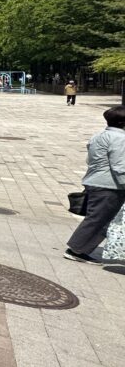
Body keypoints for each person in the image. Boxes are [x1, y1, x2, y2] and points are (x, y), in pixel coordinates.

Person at [64, 105, 125, 264]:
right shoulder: (120, 139)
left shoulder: (99, 135)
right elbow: (120, 167)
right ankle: (76, 250)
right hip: (109, 185)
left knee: (100, 218)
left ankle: (79, 248)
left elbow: (89, 160)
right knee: (98, 219)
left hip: (96, 181)